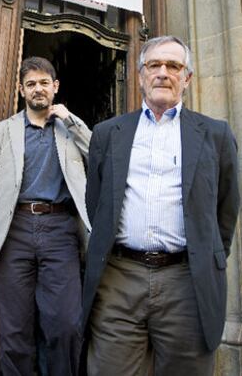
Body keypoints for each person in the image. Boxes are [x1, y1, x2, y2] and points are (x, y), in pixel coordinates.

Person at [83, 35, 240, 376]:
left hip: (187, 281)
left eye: (174, 66)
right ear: (140, 75)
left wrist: (203, 254)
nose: (163, 73)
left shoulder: (215, 134)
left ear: (187, 78)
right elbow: (96, 201)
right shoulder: (109, 133)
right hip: (120, 278)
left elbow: (226, 209)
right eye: (154, 65)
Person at [0, 56, 91, 376]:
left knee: (65, 324)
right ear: (21, 90)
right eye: (31, 84)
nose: (38, 89)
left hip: (60, 229)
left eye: (44, 83)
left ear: (55, 87)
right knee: (14, 331)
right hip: (15, 231)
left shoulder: (69, 127)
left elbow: (100, 154)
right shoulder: (3, 131)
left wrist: (72, 119)